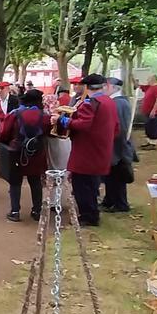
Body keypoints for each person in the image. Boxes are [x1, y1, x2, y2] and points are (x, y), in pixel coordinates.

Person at [51, 74, 119, 227]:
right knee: (92, 184)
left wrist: (61, 120)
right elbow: (116, 127)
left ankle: (88, 216)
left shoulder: (90, 103)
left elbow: (83, 124)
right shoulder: (109, 101)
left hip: (86, 151)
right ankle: (92, 212)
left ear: (87, 88)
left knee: (82, 185)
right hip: (101, 148)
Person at [0, 90, 48, 222]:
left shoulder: (14, 114)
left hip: (17, 151)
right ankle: (37, 211)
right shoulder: (44, 115)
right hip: (37, 151)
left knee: (15, 182)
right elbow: (49, 131)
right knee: (35, 181)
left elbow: (3, 133)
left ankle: (15, 211)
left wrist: (7, 142)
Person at [101, 78, 135, 213]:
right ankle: (110, 200)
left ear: (114, 88)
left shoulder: (118, 103)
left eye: (106, 86)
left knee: (118, 176)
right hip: (115, 145)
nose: (104, 89)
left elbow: (120, 128)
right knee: (110, 175)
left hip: (118, 146)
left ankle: (120, 203)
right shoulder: (116, 102)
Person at [141, 74, 157, 150]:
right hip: (147, 112)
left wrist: (154, 110)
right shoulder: (150, 87)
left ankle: (153, 143)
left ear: (153, 80)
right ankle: (149, 142)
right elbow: (139, 86)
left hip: (153, 113)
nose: (147, 80)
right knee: (148, 127)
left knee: (153, 127)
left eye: (148, 79)